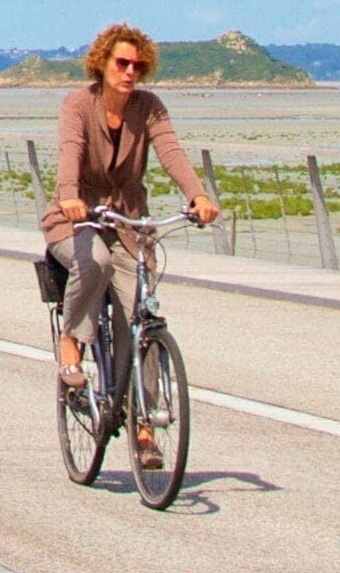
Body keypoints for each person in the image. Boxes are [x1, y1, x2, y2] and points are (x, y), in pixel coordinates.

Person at [42, 24, 222, 472]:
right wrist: (70, 194)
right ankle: (71, 343)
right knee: (95, 262)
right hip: (76, 218)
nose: (129, 72)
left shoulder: (149, 108)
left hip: (128, 222)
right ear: (102, 64)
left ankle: (144, 425)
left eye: (137, 65)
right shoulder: (79, 104)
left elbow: (172, 153)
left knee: (137, 312)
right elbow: (70, 150)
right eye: (121, 63)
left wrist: (198, 195)